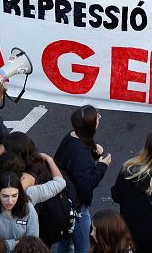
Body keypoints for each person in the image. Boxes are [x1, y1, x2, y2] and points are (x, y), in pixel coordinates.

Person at [54, 105, 111, 253]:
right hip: (77, 208)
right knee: (83, 247)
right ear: (90, 126)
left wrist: (93, 153)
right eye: (97, 118)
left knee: (64, 242)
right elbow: (86, 184)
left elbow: (72, 164)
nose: (99, 119)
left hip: (62, 201)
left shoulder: (71, 136)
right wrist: (102, 165)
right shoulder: (81, 153)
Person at [0, 171, 38, 250]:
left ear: (19, 193)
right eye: (5, 196)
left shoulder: (28, 208)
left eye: (14, 196)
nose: (10, 201)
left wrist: (5, 244)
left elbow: (33, 240)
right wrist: (15, 243)